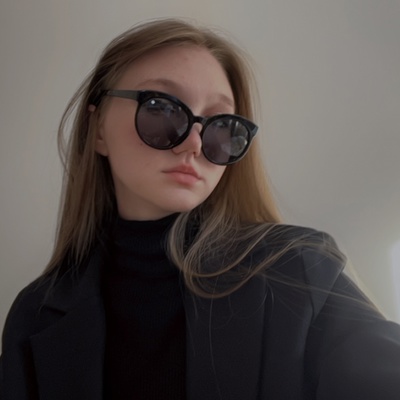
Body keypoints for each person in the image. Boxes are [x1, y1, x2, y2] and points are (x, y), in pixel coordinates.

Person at [1, 18, 399, 400]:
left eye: (220, 124)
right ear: (98, 128)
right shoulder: (36, 316)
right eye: (161, 108)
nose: (194, 143)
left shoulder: (299, 271)